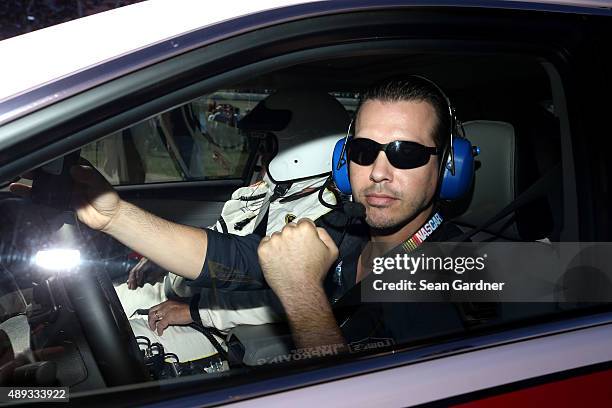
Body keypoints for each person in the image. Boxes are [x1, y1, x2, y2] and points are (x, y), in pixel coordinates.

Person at [257, 76, 472, 350]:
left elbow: (353, 394)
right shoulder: (345, 228)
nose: (378, 173)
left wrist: (302, 292)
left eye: (406, 153)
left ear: (448, 166)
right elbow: (239, 254)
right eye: (363, 150)